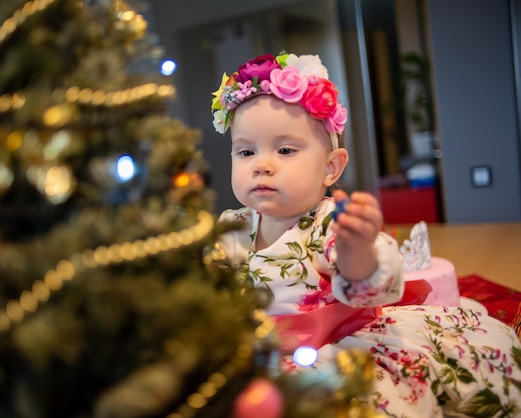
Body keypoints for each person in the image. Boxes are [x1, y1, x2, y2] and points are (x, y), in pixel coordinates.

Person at [210, 52, 521, 417]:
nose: (262, 164)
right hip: (254, 356)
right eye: (245, 151)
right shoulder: (229, 225)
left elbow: (368, 285)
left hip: (333, 346)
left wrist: (358, 249)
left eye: (285, 150)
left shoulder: (328, 223)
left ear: (331, 167)